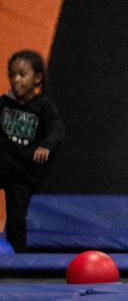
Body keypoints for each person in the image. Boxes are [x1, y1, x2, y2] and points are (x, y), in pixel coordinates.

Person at [1, 50, 65, 252]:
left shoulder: (42, 106)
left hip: (23, 173)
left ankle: (16, 258)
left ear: (36, 78)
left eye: (21, 74)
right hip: (3, 162)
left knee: (17, 217)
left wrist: (47, 145)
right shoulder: (3, 103)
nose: (15, 80)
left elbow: (57, 128)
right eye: (12, 75)